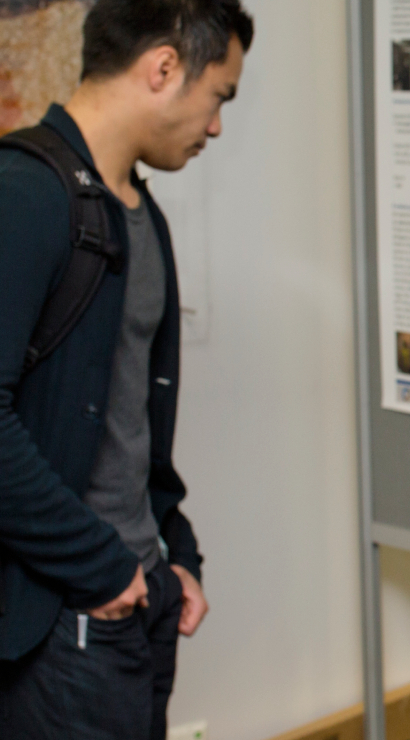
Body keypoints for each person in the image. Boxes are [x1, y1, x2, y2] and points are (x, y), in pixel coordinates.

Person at [0, 1, 252, 738]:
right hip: (65, 624)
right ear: (164, 66)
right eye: (219, 97)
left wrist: (175, 550)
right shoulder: (24, 199)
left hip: (137, 605)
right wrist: (101, 568)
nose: (215, 128)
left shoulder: (140, 215)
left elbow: (125, 420)